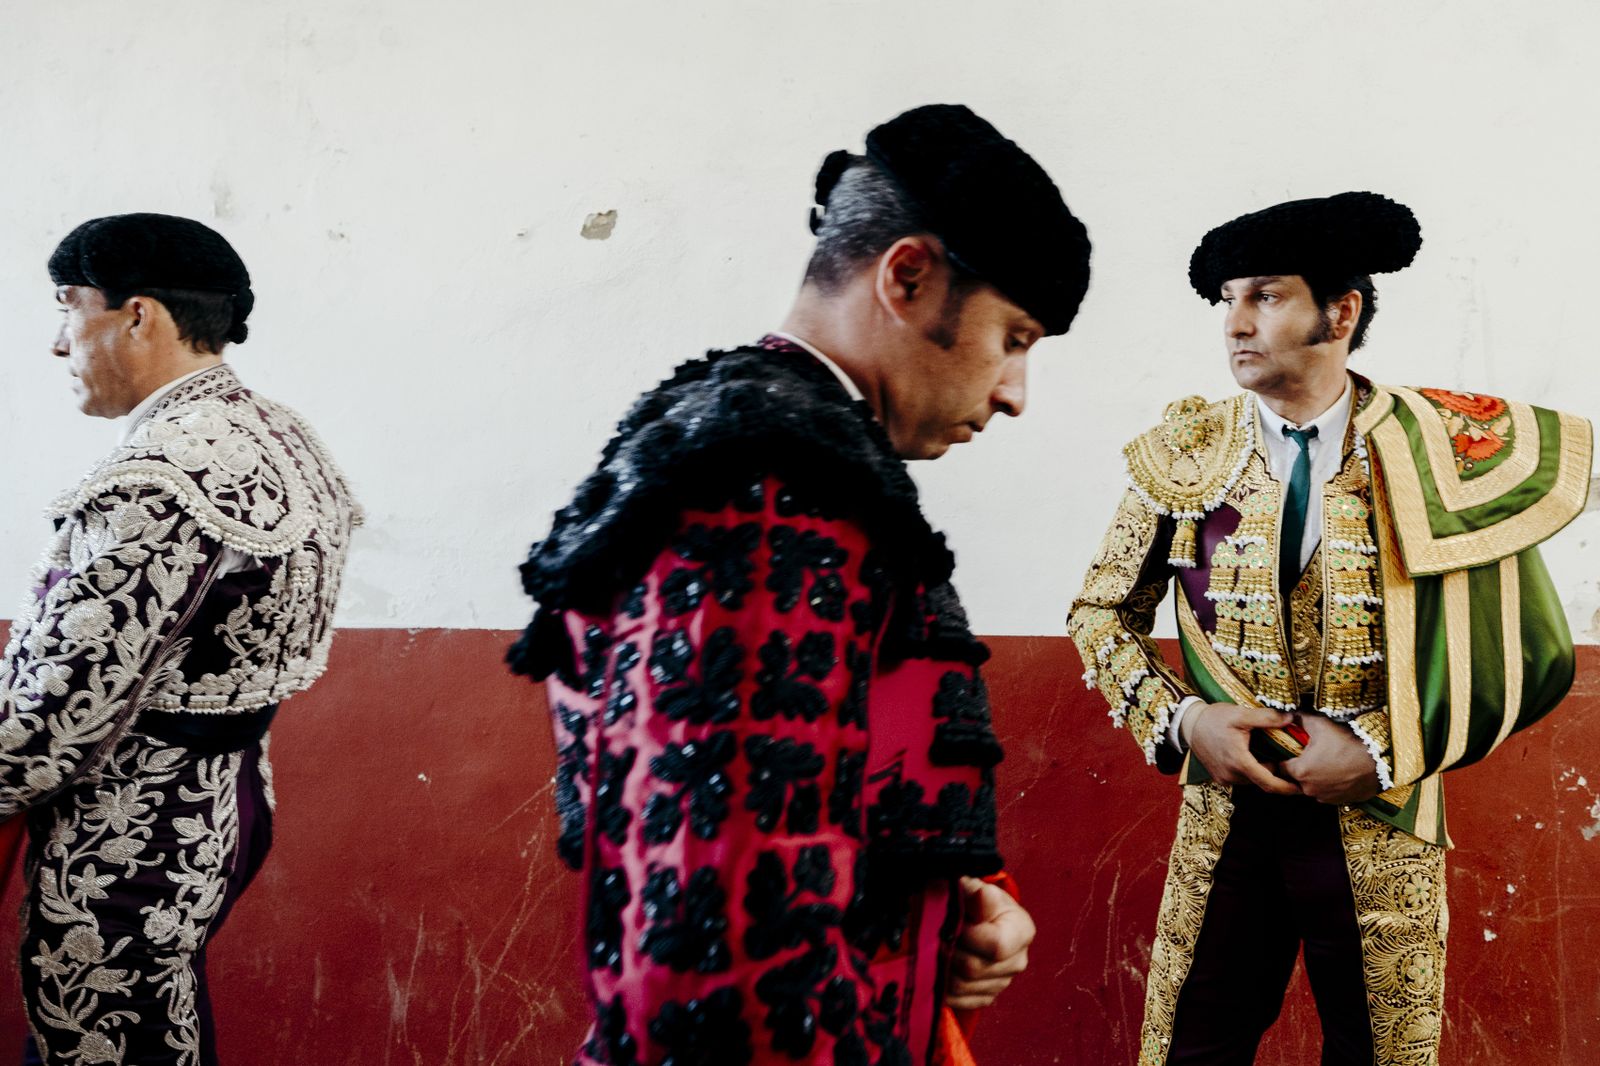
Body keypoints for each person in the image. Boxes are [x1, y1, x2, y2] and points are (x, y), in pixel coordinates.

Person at [510, 104, 1091, 1065]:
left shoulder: (741, 437)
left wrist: (940, 898)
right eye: (1014, 338)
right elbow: (716, 943)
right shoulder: (772, 484)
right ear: (908, 277)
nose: (1013, 393)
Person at [1067, 190, 1592, 1065]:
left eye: (1266, 296)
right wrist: (1187, 721)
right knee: (1191, 1050)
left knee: (1381, 1056)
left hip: (1383, 815)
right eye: (1228, 299)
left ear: (1340, 314)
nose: (1236, 323)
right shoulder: (1185, 451)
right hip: (1224, 817)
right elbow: (1099, 610)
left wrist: (1383, 750)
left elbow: (1529, 656)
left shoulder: (1442, 451)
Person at [3, 213, 360, 1064]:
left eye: (68, 307)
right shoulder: (278, 433)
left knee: (105, 1038)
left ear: (139, 315)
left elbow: (45, 731)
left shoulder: (157, 475)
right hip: (223, 799)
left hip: (128, 833)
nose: (58, 343)